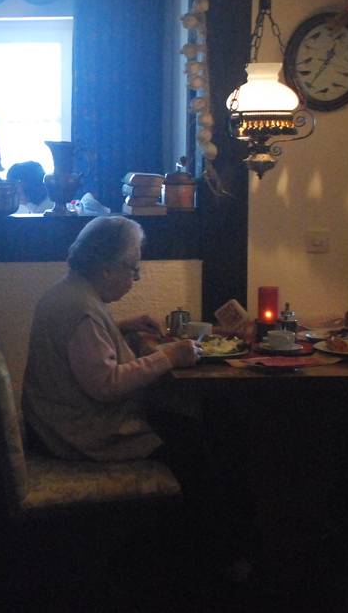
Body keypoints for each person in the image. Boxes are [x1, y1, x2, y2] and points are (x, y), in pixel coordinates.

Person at [21, 215, 254, 581]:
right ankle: (221, 556)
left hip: (59, 421)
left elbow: (86, 349)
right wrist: (169, 357)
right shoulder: (82, 311)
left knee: (191, 428)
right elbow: (107, 385)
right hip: (82, 433)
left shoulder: (71, 293)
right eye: (133, 268)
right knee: (193, 443)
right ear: (106, 268)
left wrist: (122, 326)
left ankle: (209, 543)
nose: (137, 277)